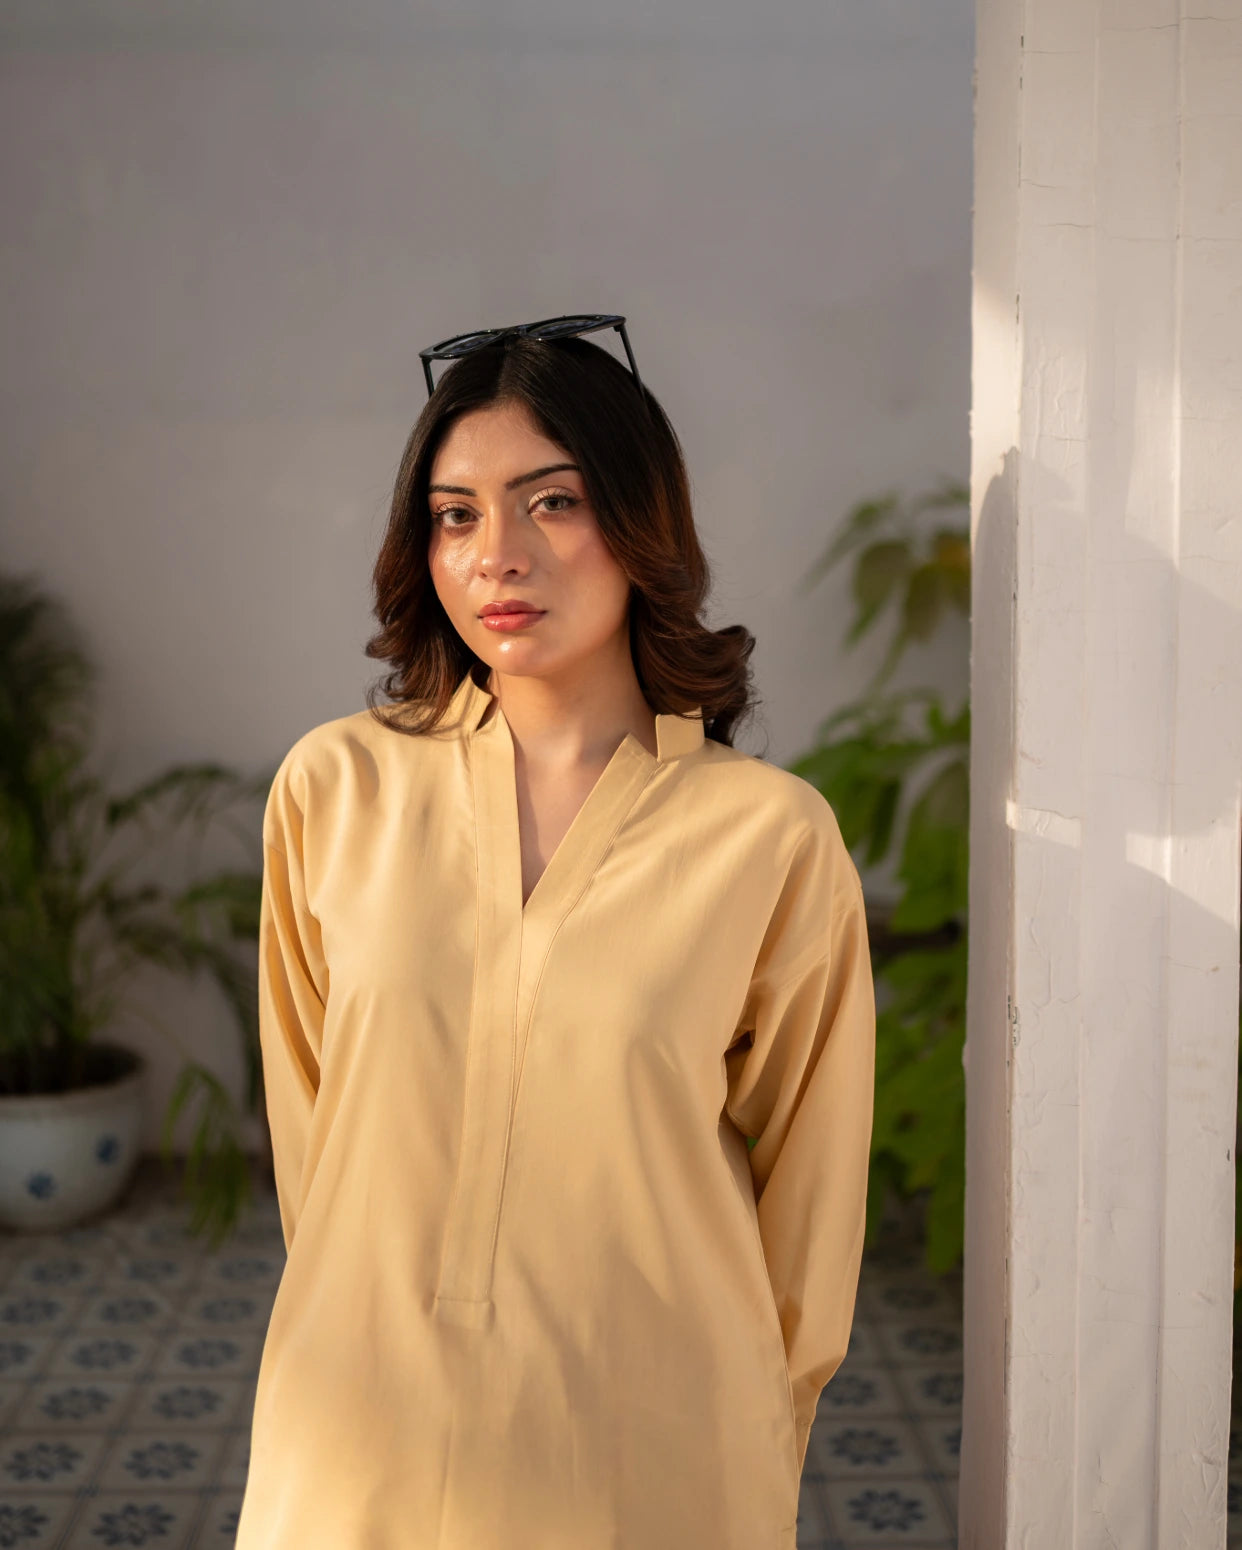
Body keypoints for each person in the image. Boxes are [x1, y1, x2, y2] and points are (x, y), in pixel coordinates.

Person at [234, 320, 876, 1550]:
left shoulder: (768, 838)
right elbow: (319, 1150)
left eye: (553, 501)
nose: (497, 555)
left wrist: (748, 1440)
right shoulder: (332, 790)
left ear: (642, 522)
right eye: (456, 513)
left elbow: (810, 1215)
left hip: (651, 1460)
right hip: (355, 1447)